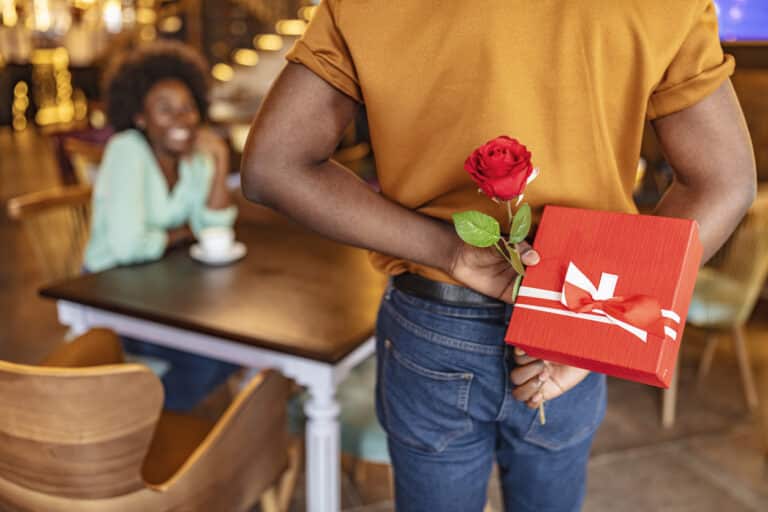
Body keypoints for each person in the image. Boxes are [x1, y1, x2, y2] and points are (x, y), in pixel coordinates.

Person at [241, 1, 756, 510]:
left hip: (433, 316)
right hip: (572, 318)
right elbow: (725, 181)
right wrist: (595, 328)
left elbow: (273, 165)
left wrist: (451, 252)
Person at [84, 41, 239, 412]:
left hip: (164, 291)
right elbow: (126, 247)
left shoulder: (194, 157)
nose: (181, 120)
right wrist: (180, 233)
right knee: (205, 361)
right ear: (141, 118)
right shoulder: (127, 150)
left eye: (187, 108)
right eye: (165, 110)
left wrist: (218, 161)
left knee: (233, 351)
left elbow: (214, 226)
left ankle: (155, 415)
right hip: (108, 292)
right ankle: (130, 420)